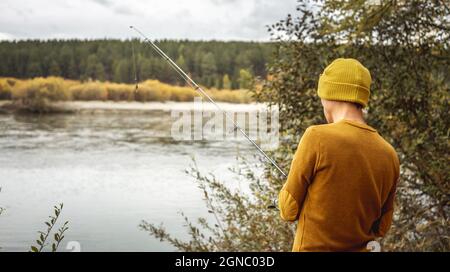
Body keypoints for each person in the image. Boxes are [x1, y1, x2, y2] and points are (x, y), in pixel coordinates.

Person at [278, 58, 400, 252]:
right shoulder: (389, 153)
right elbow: (381, 227)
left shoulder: (316, 137)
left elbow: (288, 210)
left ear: (329, 95)